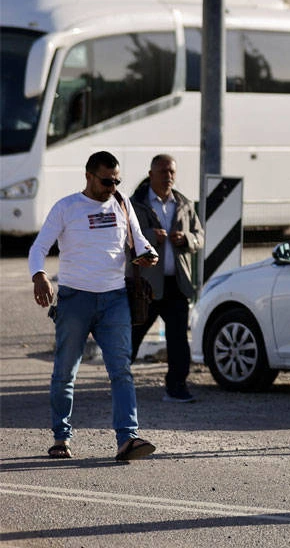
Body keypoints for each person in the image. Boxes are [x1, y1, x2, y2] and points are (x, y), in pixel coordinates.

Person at [29, 150, 161, 462]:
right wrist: (40, 276)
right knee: (65, 372)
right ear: (89, 176)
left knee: (122, 372)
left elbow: (139, 241)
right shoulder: (67, 207)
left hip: (115, 299)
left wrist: (148, 254)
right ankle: (61, 438)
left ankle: (127, 439)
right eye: (106, 181)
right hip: (75, 299)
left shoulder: (122, 202)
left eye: (117, 180)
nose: (112, 186)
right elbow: (39, 247)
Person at [129, 154, 205, 402]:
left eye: (171, 171)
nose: (168, 176)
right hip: (146, 285)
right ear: (151, 174)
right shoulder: (135, 204)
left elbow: (199, 236)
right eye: (163, 172)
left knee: (178, 340)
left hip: (177, 283)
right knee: (132, 336)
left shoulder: (183, 203)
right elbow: (124, 238)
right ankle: (119, 380)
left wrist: (187, 239)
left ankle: (176, 386)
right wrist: (151, 236)